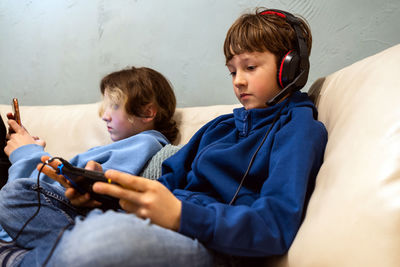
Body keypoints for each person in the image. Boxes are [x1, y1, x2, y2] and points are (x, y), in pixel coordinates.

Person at [0, 8, 327, 266]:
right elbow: (165, 186)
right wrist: (109, 196)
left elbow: (275, 225)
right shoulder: (220, 127)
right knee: (16, 198)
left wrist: (182, 215)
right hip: (158, 226)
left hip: (212, 244)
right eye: (232, 70)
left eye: (250, 67)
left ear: (289, 66)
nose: (238, 81)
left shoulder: (297, 130)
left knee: (98, 240)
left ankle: (28, 258)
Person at [0, 66, 178, 241]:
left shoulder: (146, 143)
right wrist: (32, 151)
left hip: (57, 213)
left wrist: (26, 153)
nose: (105, 116)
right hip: (40, 202)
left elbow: (86, 194)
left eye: (114, 106)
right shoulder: (126, 146)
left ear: (147, 113)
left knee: (12, 193)